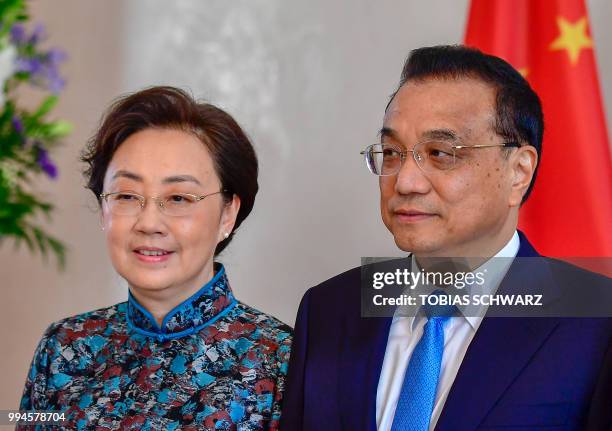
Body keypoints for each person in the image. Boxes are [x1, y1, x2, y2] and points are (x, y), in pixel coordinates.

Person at [280, 46, 612, 431]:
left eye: (440, 153)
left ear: (518, 171)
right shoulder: (328, 310)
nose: (404, 181)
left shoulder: (596, 322)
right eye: (391, 152)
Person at [19, 86, 292, 430]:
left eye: (178, 198)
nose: (149, 223)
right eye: (127, 195)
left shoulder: (280, 359)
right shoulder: (64, 346)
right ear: (103, 208)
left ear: (228, 213)